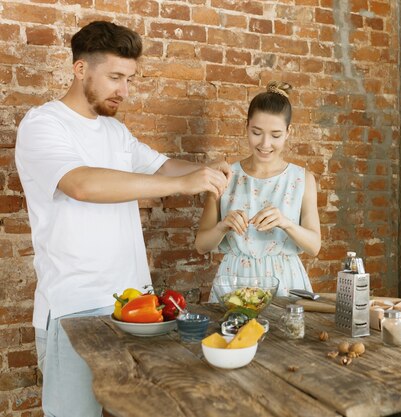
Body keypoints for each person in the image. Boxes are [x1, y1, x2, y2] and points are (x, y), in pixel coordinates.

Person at [15, 21, 231, 417]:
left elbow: (163, 167)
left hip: (135, 305)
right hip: (75, 308)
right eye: (115, 77)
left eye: (129, 79)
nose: (125, 91)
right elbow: (81, 184)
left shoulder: (116, 132)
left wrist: (211, 173)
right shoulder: (42, 124)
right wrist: (184, 185)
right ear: (81, 70)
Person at [194, 81, 321, 297]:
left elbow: (314, 246)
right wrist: (223, 226)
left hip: (285, 283)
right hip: (234, 283)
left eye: (276, 135)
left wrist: (285, 223)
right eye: (256, 132)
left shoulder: (302, 179)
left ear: (289, 132)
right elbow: (201, 246)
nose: (265, 143)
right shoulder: (225, 176)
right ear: (246, 127)